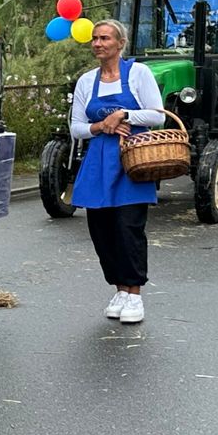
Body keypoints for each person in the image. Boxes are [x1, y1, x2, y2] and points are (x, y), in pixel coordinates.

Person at [68, 18, 165, 325]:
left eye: (105, 38)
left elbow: (158, 116)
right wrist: (100, 125)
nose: (98, 43)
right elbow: (76, 127)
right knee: (101, 230)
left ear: (121, 43)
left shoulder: (138, 74)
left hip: (132, 160)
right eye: (95, 38)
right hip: (98, 162)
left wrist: (124, 114)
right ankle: (119, 290)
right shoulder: (86, 81)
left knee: (128, 228)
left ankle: (135, 293)